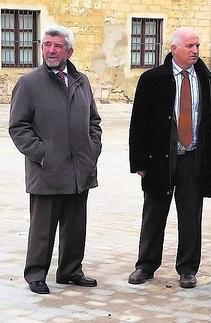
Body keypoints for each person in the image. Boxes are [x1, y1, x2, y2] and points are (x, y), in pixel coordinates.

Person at [128, 27, 211, 289]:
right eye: (190, 46)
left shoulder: (209, 82)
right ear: (173, 49)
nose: (195, 51)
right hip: (160, 159)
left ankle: (187, 269)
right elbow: (138, 122)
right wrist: (139, 162)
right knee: (154, 213)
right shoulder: (152, 80)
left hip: (193, 158)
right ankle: (146, 266)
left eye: (197, 46)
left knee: (191, 215)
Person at [9, 24, 102, 295]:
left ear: (69, 51)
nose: (50, 50)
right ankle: (36, 273)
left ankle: (70, 271)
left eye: (57, 45)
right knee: (42, 228)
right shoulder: (28, 84)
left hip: (79, 170)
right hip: (46, 170)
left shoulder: (81, 81)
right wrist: (42, 153)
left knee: (75, 227)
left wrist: (92, 148)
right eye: (47, 45)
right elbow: (18, 127)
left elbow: (93, 120)